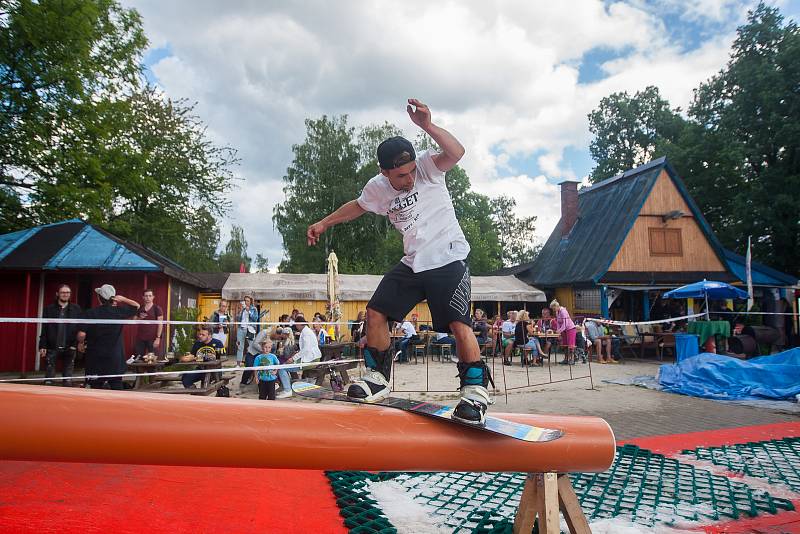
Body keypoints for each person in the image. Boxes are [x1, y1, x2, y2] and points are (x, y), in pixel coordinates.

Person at [306, 99, 492, 424]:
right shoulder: (377, 188)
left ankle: (474, 394)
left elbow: (456, 152)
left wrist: (427, 126)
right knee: (375, 313)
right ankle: (377, 379)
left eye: (410, 173)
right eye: (400, 176)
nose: (408, 179)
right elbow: (357, 206)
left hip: (448, 257)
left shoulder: (427, 167)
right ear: (384, 172)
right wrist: (324, 223)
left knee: (458, 325)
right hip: (413, 262)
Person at [81, 285, 139, 390]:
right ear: (113, 298)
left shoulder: (90, 313)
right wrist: (123, 299)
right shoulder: (119, 312)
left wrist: (80, 343)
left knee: (95, 387)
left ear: (99, 297)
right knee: (116, 385)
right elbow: (136, 306)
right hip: (114, 357)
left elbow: (81, 334)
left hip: (95, 356)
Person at [38, 284, 83, 386]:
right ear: (57, 294)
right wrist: (42, 345)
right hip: (52, 346)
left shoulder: (76, 309)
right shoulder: (49, 309)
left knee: (67, 380)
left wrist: (75, 344)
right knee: (49, 380)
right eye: (63, 292)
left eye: (67, 292)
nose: (65, 294)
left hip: (70, 346)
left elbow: (80, 328)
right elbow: (44, 328)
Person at [182, 325, 226, 389]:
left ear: (209, 335)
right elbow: (192, 355)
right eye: (200, 334)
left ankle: (203, 395)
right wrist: (183, 358)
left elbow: (222, 357)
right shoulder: (197, 343)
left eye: (203, 335)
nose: (200, 336)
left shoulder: (217, 343)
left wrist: (199, 358)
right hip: (200, 369)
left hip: (214, 371)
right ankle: (196, 394)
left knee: (206, 382)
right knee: (186, 378)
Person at [134, 289, 164, 356]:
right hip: (140, 338)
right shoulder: (140, 308)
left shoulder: (157, 308)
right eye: (146, 296)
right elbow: (134, 320)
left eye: (150, 296)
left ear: (153, 297)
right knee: (138, 359)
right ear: (143, 297)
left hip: (152, 339)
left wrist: (158, 338)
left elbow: (160, 324)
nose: (148, 298)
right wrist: (140, 318)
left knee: (153, 360)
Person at [551, 300, 577, 365]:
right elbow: (558, 323)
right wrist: (558, 330)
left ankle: (572, 359)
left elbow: (565, 323)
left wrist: (559, 331)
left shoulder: (563, 311)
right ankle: (566, 359)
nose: (553, 310)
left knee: (571, 345)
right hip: (564, 330)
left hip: (570, 329)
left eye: (553, 308)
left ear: (556, 306)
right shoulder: (557, 312)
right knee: (565, 344)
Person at [235, 296, 259, 367]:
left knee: (252, 346)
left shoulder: (254, 309)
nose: (246, 302)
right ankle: (238, 364)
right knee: (240, 347)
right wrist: (239, 311)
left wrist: (249, 311)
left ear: (250, 302)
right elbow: (238, 318)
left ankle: (253, 363)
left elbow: (255, 318)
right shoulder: (242, 309)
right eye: (245, 300)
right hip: (241, 329)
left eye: (247, 301)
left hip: (250, 329)